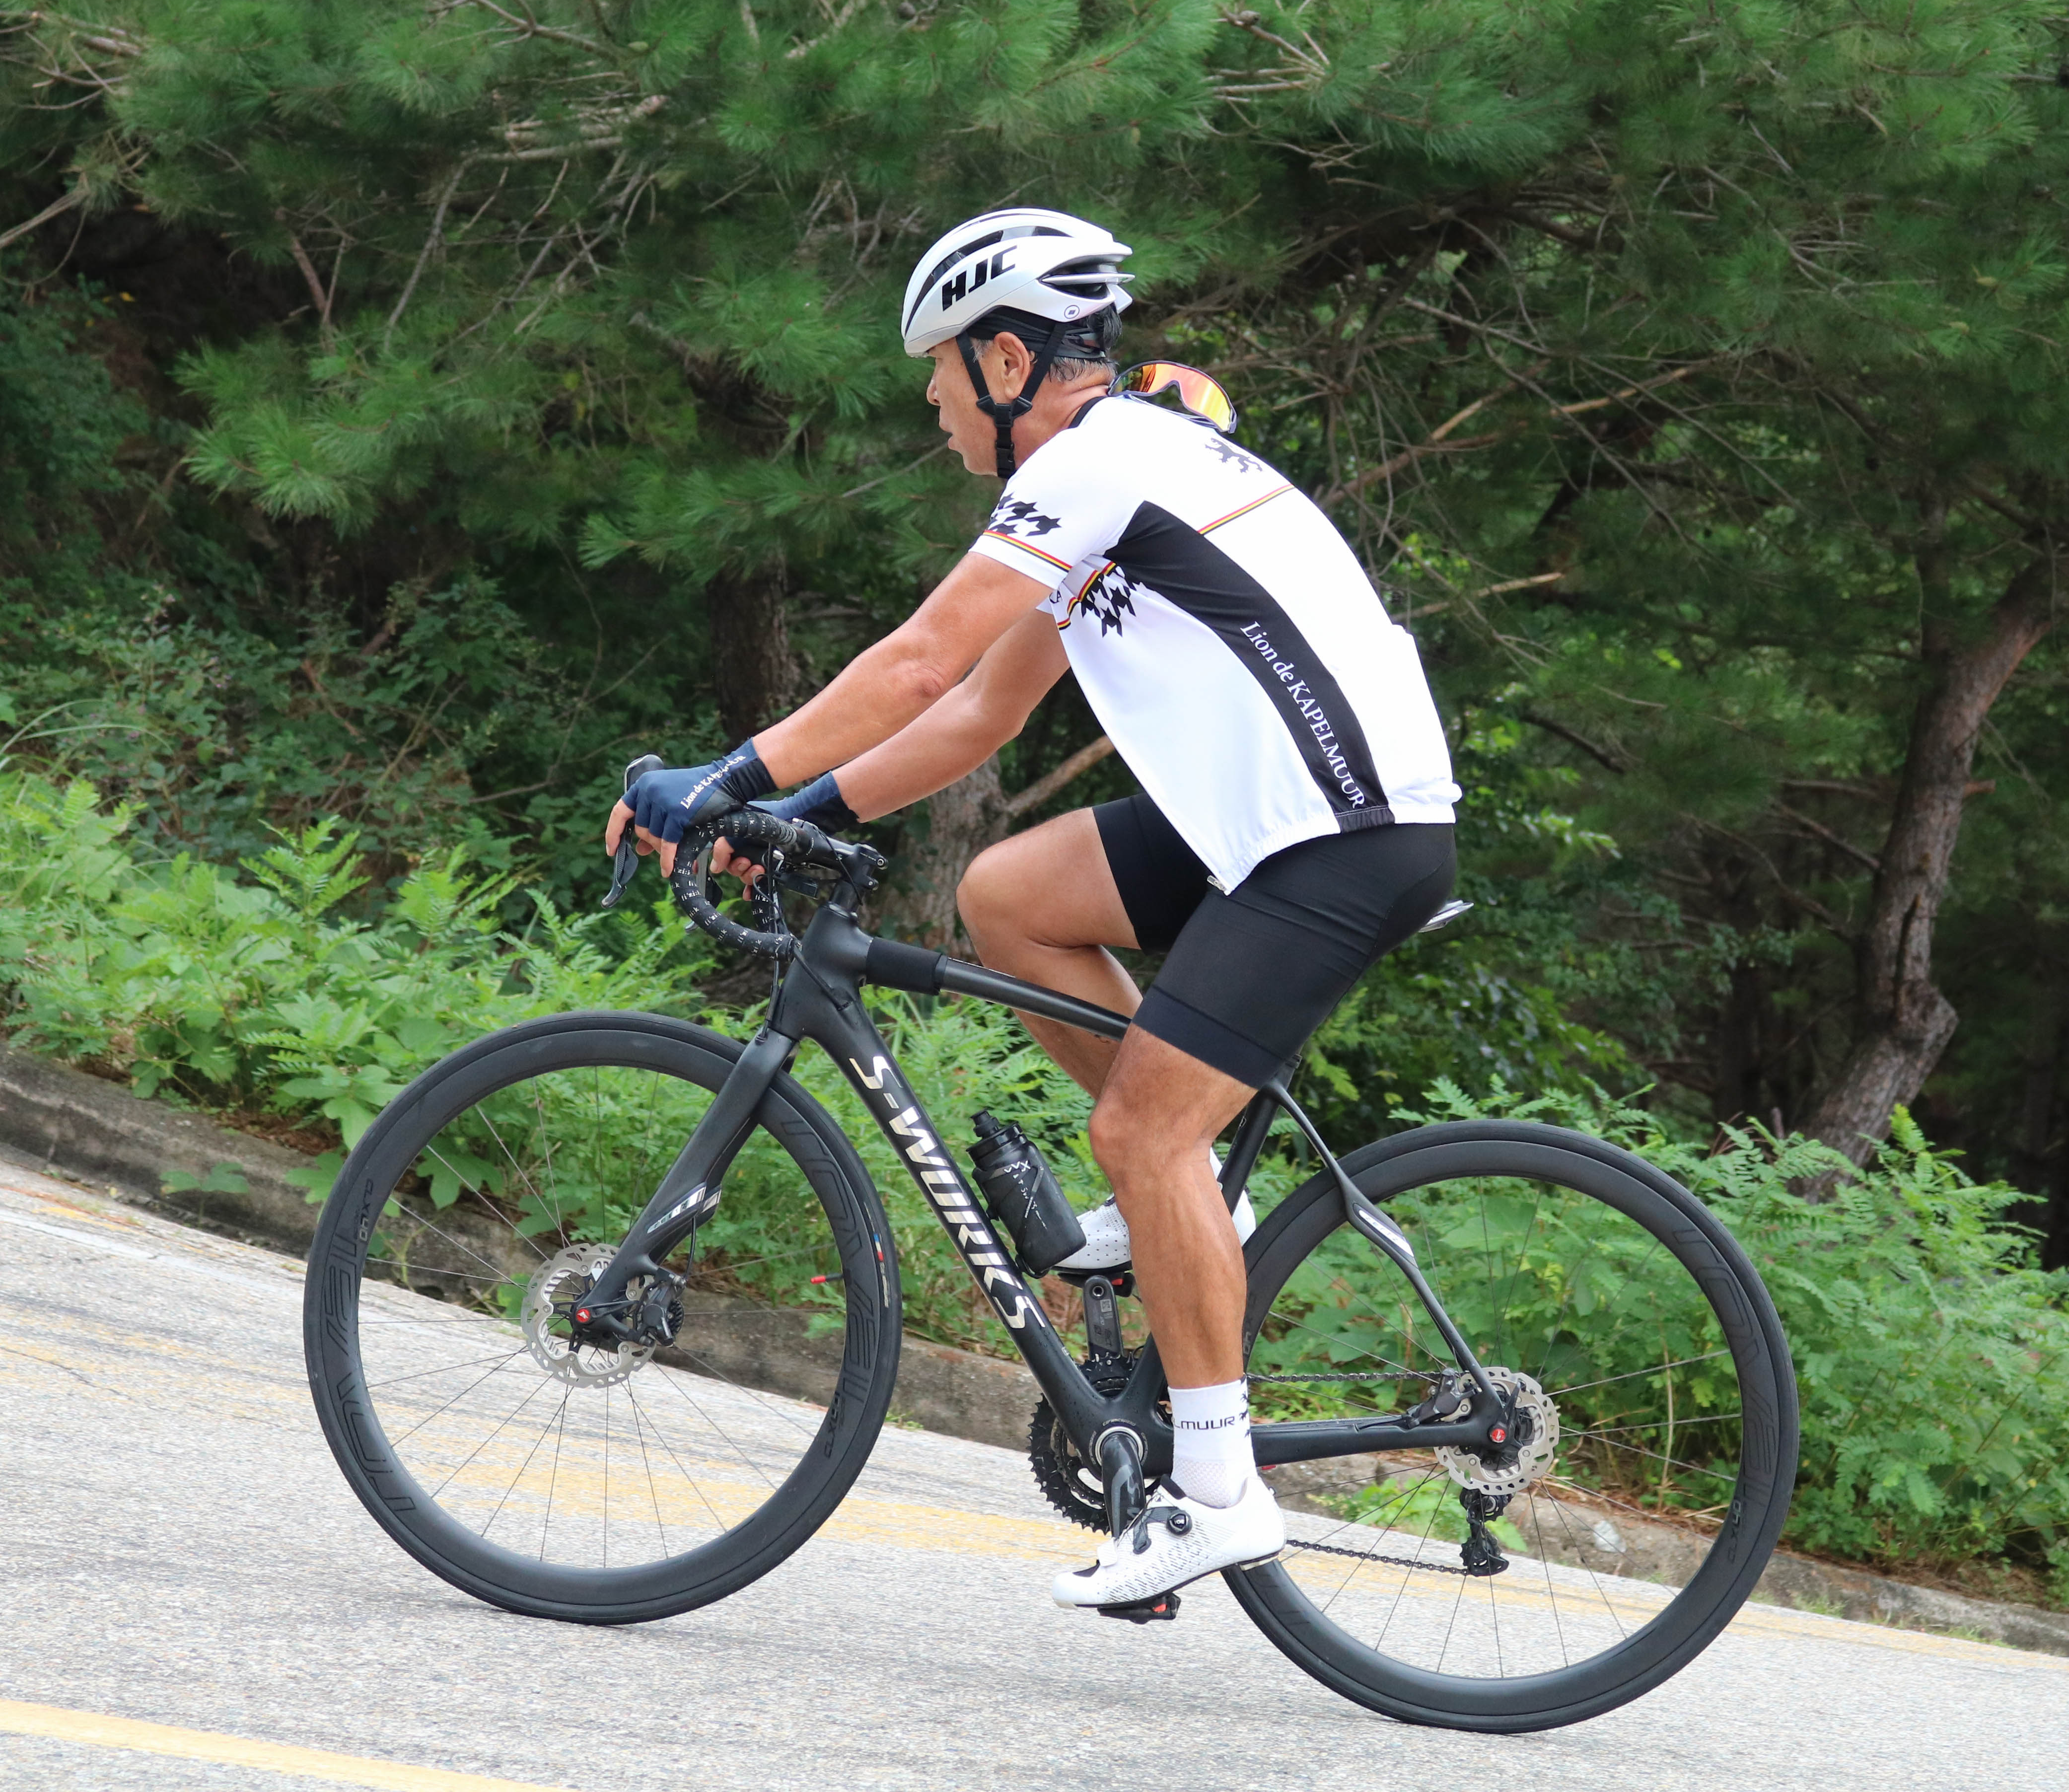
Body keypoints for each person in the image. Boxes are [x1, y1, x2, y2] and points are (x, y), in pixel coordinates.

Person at [605, 207, 1461, 1610]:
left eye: (941, 372)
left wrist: (724, 779)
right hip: (1268, 814)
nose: (933, 404)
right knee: (1009, 894)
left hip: (1341, 833)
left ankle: (1218, 1495)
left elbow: (917, 657)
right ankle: (1193, 1208)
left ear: (1007, 362)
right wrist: (800, 813)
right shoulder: (1109, 487)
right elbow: (975, 711)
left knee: (1140, 1132)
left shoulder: (1100, 461)